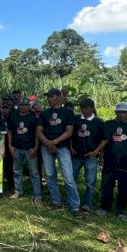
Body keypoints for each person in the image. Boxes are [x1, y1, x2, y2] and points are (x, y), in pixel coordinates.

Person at [36, 88, 81, 218]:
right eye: (48, 97)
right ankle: (56, 200)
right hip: (46, 148)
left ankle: (74, 206)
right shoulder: (44, 114)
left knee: (68, 177)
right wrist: (48, 143)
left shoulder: (68, 113)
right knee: (50, 175)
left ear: (58, 97)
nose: (49, 99)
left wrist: (53, 142)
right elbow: (39, 132)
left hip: (62, 148)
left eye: (51, 96)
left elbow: (69, 132)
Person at [96, 102, 127, 221]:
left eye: (124, 112)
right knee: (106, 185)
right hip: (109, 161)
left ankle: (120, 210)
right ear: (116, 112)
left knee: (125, 188)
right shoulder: (108, 125)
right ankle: (104, 207)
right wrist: (101, 157)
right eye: (120, 112)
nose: (122, 114)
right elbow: (104, 142)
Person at [70, 98, 105, 213]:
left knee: (90, 182)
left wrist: (97, 153)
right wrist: (71, 147)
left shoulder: (99, 122)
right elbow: (70, 134)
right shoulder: (76, 119)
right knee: (71, 179)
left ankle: (87, 204)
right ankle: (72, 201)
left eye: (86, 108)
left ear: (92, 108)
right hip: (76, 156)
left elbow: (104, 140)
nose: (84, 110)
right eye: (82, 108)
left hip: (90, 157)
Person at [8, 98, 42, 204]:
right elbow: (9, 131)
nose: (23, 107)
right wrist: (10, 145)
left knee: (34, 173)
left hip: (30, 148)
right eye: (21, 104)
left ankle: (37, 195)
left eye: (25, 105)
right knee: (17, 171)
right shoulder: (13, 116)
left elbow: (37, 134)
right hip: (17, 148)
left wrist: (35, 147)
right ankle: (18, 191)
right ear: (18, 105)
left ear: (29, 106)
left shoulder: (33, 118)